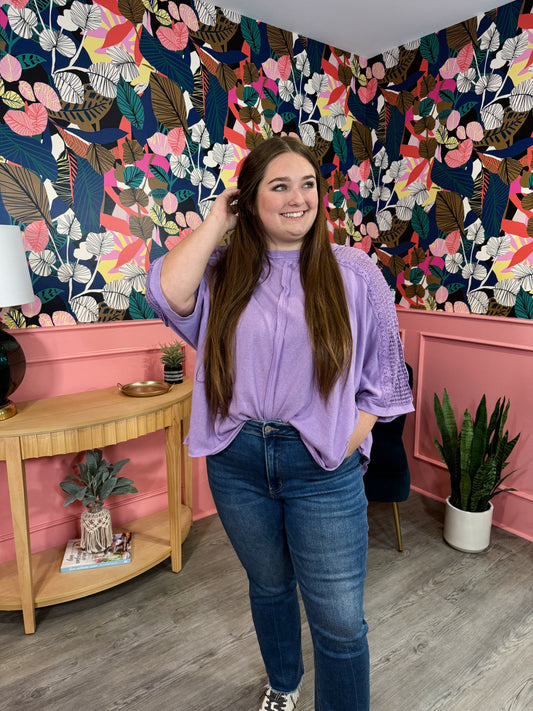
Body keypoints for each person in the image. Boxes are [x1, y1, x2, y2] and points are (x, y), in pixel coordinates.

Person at [146, 136, 413, 711]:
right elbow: (166, 292)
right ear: (251, 198)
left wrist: (345, 440)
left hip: (322, 465)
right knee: (269, 587)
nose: (299, 198)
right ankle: (284, 685)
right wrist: (221, 215)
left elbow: (384, 380)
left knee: (340, 620)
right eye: (280, 185)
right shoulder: (223, 272)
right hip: (237, 461)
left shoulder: (355, 273)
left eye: (309, 185)